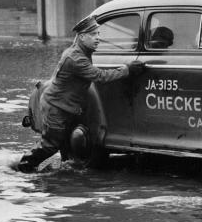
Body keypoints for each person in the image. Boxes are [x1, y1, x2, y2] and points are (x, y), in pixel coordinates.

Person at [16, 15, 144, 173]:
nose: (98, 39)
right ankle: (23, 168)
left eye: (99, 34)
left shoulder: (80, 51)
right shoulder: (76, 58)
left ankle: (64, 170)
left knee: (63, 142)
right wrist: (127, 69)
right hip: (56, 107)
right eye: (93, 35)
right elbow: (99, 76)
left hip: (64, 106)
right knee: (50, 145)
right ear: (82, 37)